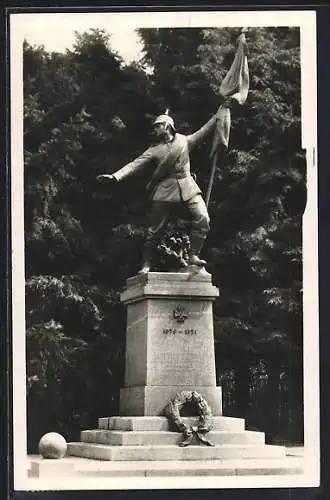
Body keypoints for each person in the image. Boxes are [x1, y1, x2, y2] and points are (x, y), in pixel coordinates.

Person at [97, 105, 227, 274]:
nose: (155, 129)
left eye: (158, 125)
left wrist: (221, 111)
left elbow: (206, 129)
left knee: (203, 218)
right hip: (165, 189)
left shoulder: (184, 141)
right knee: (155, 231)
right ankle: (146, 264)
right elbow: (135, 164)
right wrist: (116, 176)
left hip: (187, 185)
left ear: (167, 126)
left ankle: (193, 256)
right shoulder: (154, 150)